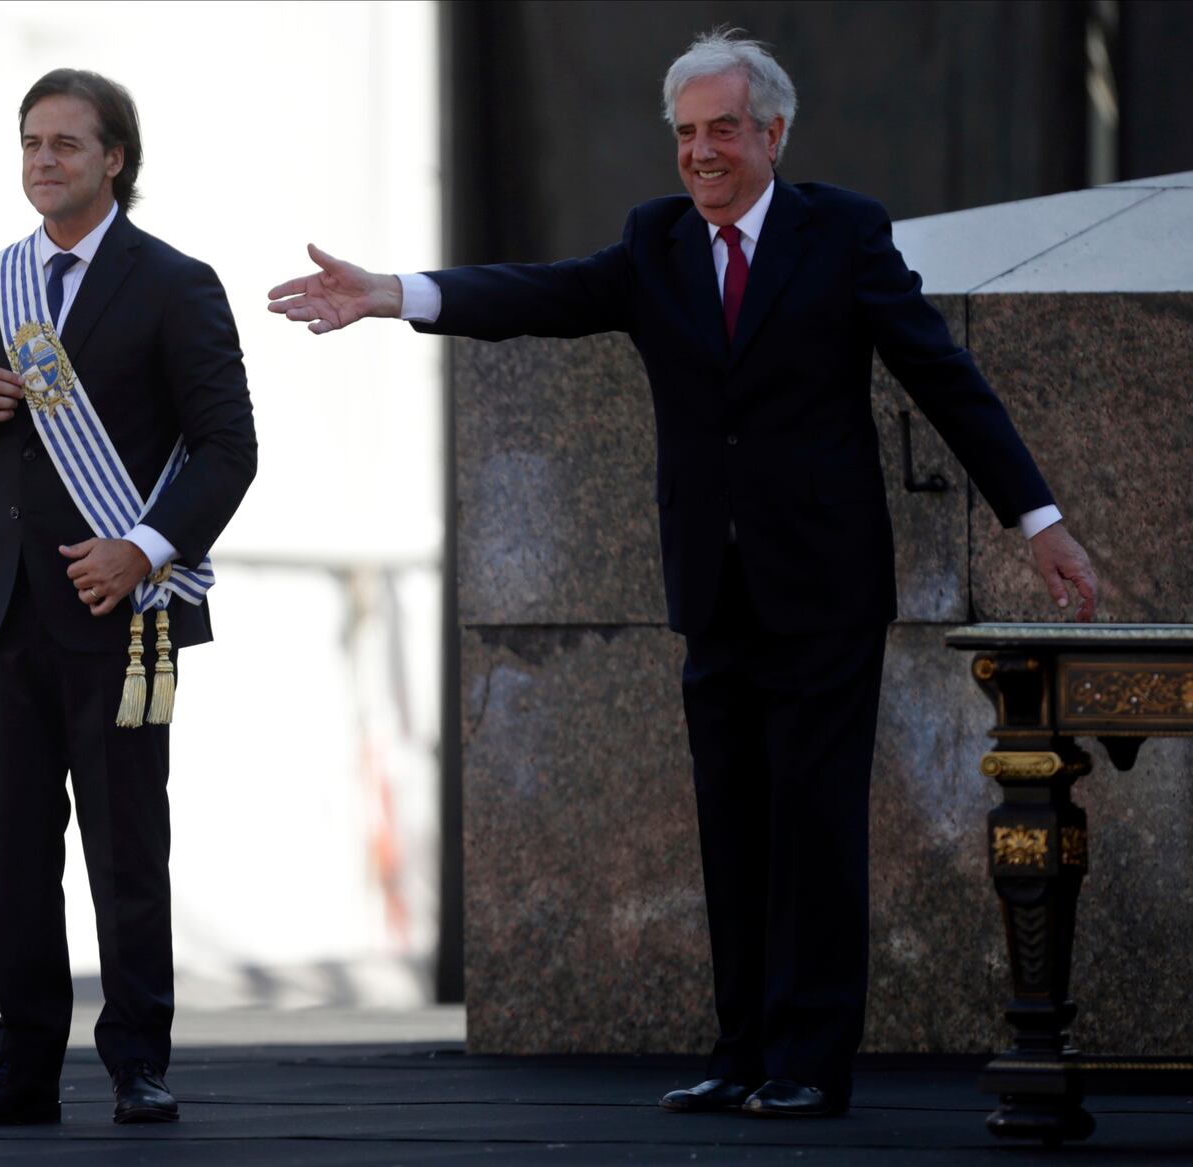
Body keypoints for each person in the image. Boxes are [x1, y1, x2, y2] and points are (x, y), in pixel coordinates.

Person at [267, 30, 1096, 1118]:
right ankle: (742, 1050)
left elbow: (941, 375)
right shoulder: (654, 241)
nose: (700, 153)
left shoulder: (838, 234)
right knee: (732, 824)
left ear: (772, 133)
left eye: (721, 130)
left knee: (815, 826)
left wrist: (1036, 518)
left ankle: (809, 1063)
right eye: (685, 134)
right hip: (713, 588)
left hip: (825, 590)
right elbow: (544, 294)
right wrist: (392, 293)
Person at [0, 68, 256, 1126]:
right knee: (11, 848)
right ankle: (22, 1067)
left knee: (123, 845)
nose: (43, 161)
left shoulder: (174, 282)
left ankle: (137, 1060)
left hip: (119, 614)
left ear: (115, 158)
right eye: (30, 143)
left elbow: (226, 449)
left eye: (65, 143)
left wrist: (143, 550)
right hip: (0, 612)